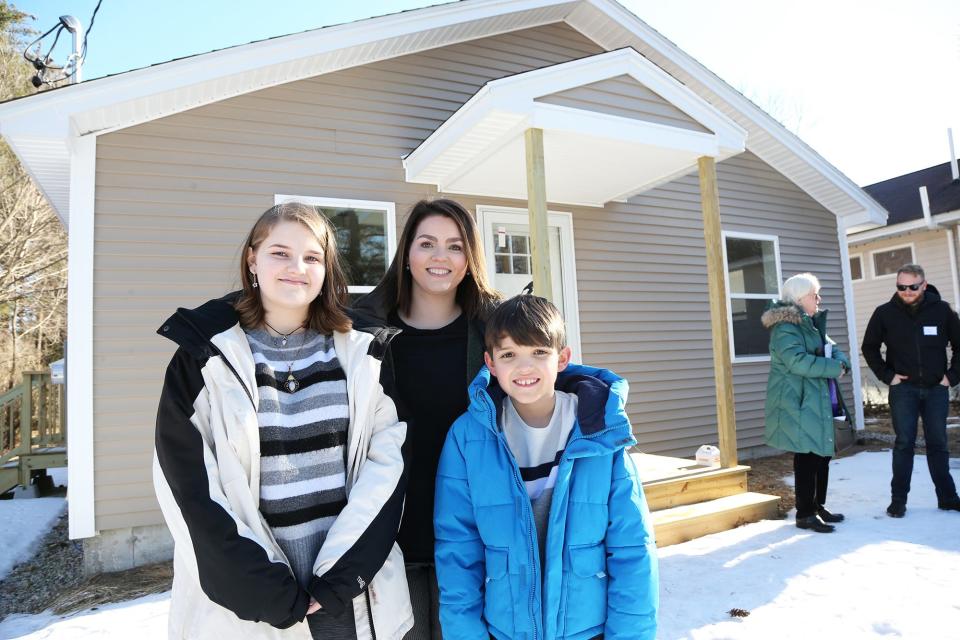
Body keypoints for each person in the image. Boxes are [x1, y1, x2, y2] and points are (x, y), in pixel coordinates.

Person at [153, 202, 413, 640]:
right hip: (252, 606)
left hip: (349, 598)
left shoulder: (363, 352)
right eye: (280, 253)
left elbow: (388, 464)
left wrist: (341, 577)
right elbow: (187, 486)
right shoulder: (203, 356)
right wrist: (263, 590)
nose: (297, 267)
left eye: (312, 257)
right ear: (252, 260)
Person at [434, 295, 659, 640]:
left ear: (563, 358)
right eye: (509, 355)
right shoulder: (468, 438)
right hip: (505, 631)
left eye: (539, 352)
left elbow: (632, 549)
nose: (525, 367)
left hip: (588, 631)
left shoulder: (600, 431)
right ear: (490, 364)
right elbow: (458, 551)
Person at [350, 198, 500, 640]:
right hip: (391, 541)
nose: (440, 257)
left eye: (455, 246)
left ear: (470, 258)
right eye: (427, 243)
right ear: (407, 254)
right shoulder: (363, 334)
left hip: (474, 539)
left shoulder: (495, 333)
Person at [861, 263, 960, 518]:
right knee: (904, 443)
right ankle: (898, 500)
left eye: (912, 287)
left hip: (936, 389)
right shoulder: (884, 313)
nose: (906, 291)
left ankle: (948, 498)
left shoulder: (942, 311)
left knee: (938, 443)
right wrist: (887, 376)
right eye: (901, 287)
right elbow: (869, 347)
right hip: (903, 390)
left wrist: (951, 377)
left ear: (924, 285)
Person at [762, 273, 851, 534]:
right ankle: (804, 513)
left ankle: (817, 506)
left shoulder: (811, 323)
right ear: (801, 298)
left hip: (814, 397)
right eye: (815, 294)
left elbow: (833, 349)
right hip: (797, 400)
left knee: (821, 453)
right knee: (807, 455)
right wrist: (835, 368)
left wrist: (840, 362)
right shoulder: (786, 328)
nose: (819, 299)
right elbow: (797, 362)